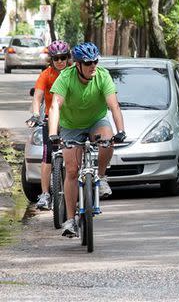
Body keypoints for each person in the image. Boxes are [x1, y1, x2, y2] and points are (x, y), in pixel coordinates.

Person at [48, 42, 126, 238]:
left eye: (95, 62)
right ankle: (70, 220)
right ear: (77, 64)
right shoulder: (66, 77)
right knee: (72, 171)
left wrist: (121, 130)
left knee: (108, 140)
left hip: (96, 121)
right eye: (88, 63)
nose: (93, 66)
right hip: (71, 126)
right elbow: (55, 106)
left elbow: (114, 105)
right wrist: (53, 134)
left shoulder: (102, 75)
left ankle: (100, 176)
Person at [25, 40, 72, 210]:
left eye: (63, 57)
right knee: (47, 154)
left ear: (68, 58)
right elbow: (37, 97)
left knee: (76, 152)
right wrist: (36, 114)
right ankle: (45, 194)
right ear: (51, 60)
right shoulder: (46, 75)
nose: (60, 61)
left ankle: (82, 186)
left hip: (72, 120)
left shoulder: (74, 73)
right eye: (56, 58)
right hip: (51, 119)